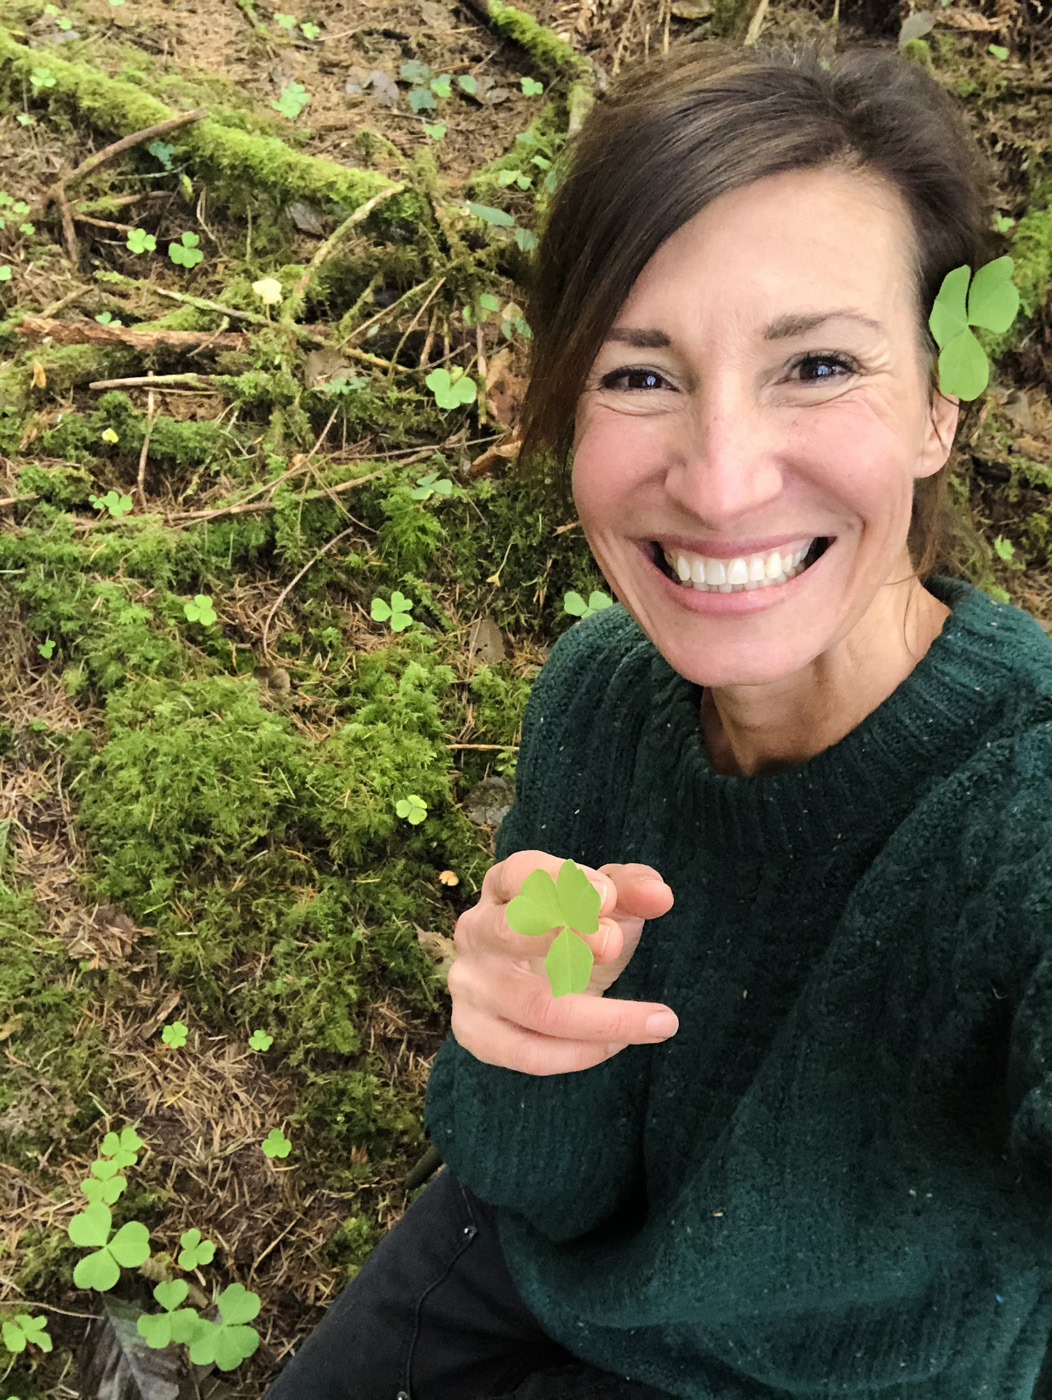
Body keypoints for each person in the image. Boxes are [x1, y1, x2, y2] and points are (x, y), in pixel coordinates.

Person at [264, 32, 1052, 1400]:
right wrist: (520, 1048)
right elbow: (541, 1190)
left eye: (817, 367)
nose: (726, 482)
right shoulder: (603, 695)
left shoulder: (1021, 807)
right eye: (641, 374)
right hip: (547, 1267)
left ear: (941, 404)